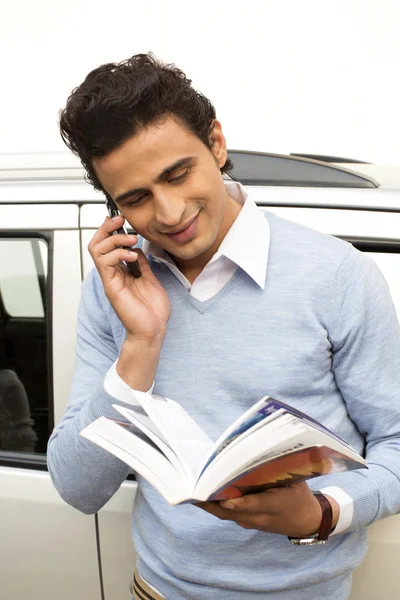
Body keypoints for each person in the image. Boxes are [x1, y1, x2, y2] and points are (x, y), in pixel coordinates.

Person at [47, 53, 400, 600]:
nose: (167, 214)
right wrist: (142, 344)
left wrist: (320, 514)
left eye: (177, 174)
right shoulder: (112, 287)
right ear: (114, 206)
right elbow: (78, 487)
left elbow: (397, 444)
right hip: (158, 591)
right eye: (136, 198)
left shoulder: (338, 275)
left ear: (216, 143)